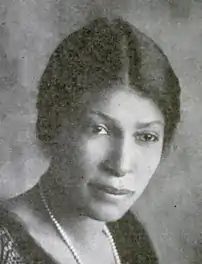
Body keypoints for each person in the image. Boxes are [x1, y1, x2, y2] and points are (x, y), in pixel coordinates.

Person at [0, 17, 181, 264]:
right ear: (53, 123)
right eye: (99, 129)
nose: (121, 165)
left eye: (146, 136)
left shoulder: (128, 235)